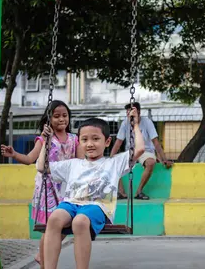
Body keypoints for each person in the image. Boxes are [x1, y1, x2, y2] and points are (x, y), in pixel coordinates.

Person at [36, 110, 144, 269]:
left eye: (95, 139)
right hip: (71, 204)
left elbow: (140, 149)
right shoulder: (72, 164)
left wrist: (135, 126)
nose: (90, 144)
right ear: (79, 142)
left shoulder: (114, 163)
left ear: (107, 142)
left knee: (80, 221)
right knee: (54, 219)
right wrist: (46, 141)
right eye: (84, 140)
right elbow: (41, 167)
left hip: (97, 206)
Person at [1, 100, 83, 266]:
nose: (62, 119)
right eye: (57, 116)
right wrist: (15, 154)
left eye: (65, 115)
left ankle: (42, 254)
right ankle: (45, 262)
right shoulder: (44, 138)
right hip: (48, 189)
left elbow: (81, 162)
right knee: (51, 228)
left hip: (66, 188)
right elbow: (30, 159)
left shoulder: (74, 139)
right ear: (49, 119)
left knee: (65, 225)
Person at [110, 102, 173, 200]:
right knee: (114, 162)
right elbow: (118, 142)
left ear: (138, 113)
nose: (129, 116)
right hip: (131, 151)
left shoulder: (147, 122)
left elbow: (155, 142)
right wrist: (111, 157)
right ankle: (121, 192)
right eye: (127, 114)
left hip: (145, 151)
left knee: (151, 162)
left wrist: (164, 159)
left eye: (131, 114)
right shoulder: (125, 123)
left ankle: (139, 191)